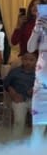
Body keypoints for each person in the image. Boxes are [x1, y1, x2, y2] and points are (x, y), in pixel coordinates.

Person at [3, 51, 37, 136]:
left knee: (40, 121)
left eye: (31, 60)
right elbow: (6, 83)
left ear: (36, 61)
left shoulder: (40, 73)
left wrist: (36, 89)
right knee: (19, 121)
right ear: (22, 60)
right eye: (25, 59)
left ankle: (38, 142)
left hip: (35, 100)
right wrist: (12, 92)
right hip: (19, 99)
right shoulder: (15, 72)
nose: (28, 62)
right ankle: (16, 142)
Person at [27, 12, 47, 146]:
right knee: (38, 127)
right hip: (42, 82)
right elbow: (30, 48)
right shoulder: (41, 28)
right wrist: (36, 29)